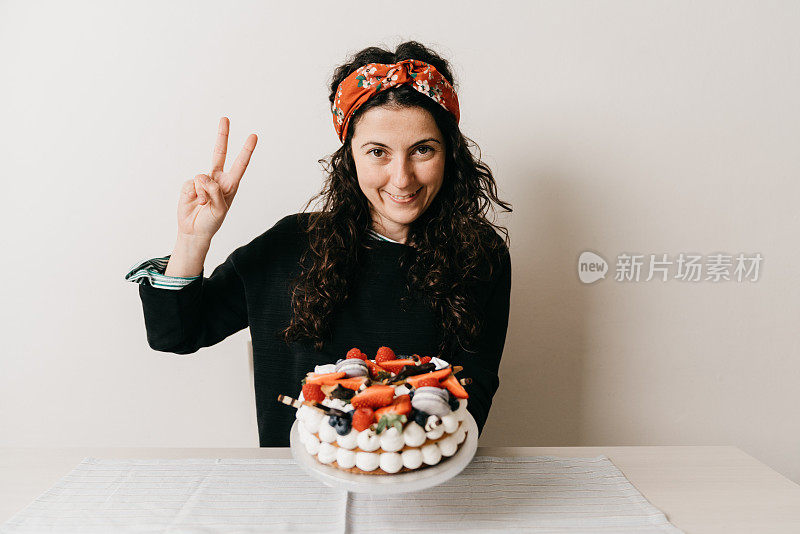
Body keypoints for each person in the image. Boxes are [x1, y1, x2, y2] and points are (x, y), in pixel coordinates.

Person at [125, 41, 512, 447]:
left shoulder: (480, 255)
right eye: (378, 152)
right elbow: (175, 335)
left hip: (423, 488)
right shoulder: (289, 245)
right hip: (296, 496)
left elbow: (474, 390)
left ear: (449, 153)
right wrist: (193, 238)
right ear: (350, 157)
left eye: (422, 150)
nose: (402, 178)